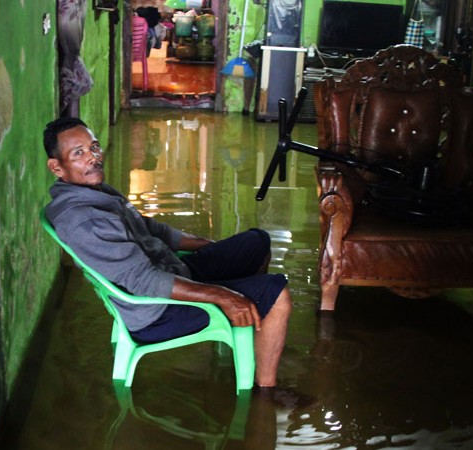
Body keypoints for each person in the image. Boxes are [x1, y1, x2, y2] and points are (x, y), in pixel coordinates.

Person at [42, 117, 292, 387]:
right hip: (157, 312)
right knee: (277, 292)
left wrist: (212, 248)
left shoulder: (94, 192)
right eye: (78, 153)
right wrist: (224, 296)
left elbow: (152, 229)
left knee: (256, 241)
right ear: (57, 167)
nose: (93, 157)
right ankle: (265, 390)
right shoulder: (83, 219)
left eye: (94, 147)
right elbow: (145, 281)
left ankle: (247, 328)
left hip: (169, 271)